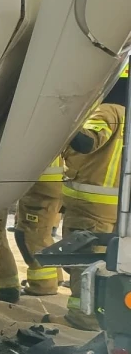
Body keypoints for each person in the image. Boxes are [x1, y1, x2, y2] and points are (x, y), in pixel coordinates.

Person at [60, 101, 126, 330]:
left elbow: (87, 141)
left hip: (90, 206)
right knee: (107, 263)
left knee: (84, 262)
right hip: (115, 205)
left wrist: (57, 123)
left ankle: (83, 318)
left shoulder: (109, 110)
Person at [15, 156, 65, 296]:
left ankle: (43, 285)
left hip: (40, 184)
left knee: (32, 237)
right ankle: (54, 278)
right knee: (41, 235)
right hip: (45, 183)